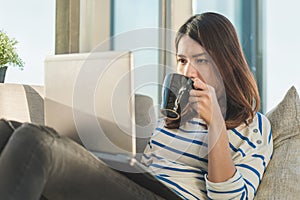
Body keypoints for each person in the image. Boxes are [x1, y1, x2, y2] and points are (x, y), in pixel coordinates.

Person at [0, 12, 272, 200]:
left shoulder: (254, 126)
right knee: (7, 131)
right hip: (137, 184)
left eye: (200, 60)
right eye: (181, 60)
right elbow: (149, 167)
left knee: (36, 142)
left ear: (226, 62)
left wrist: (215, 124)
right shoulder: (171, 115)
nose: (188, 72)